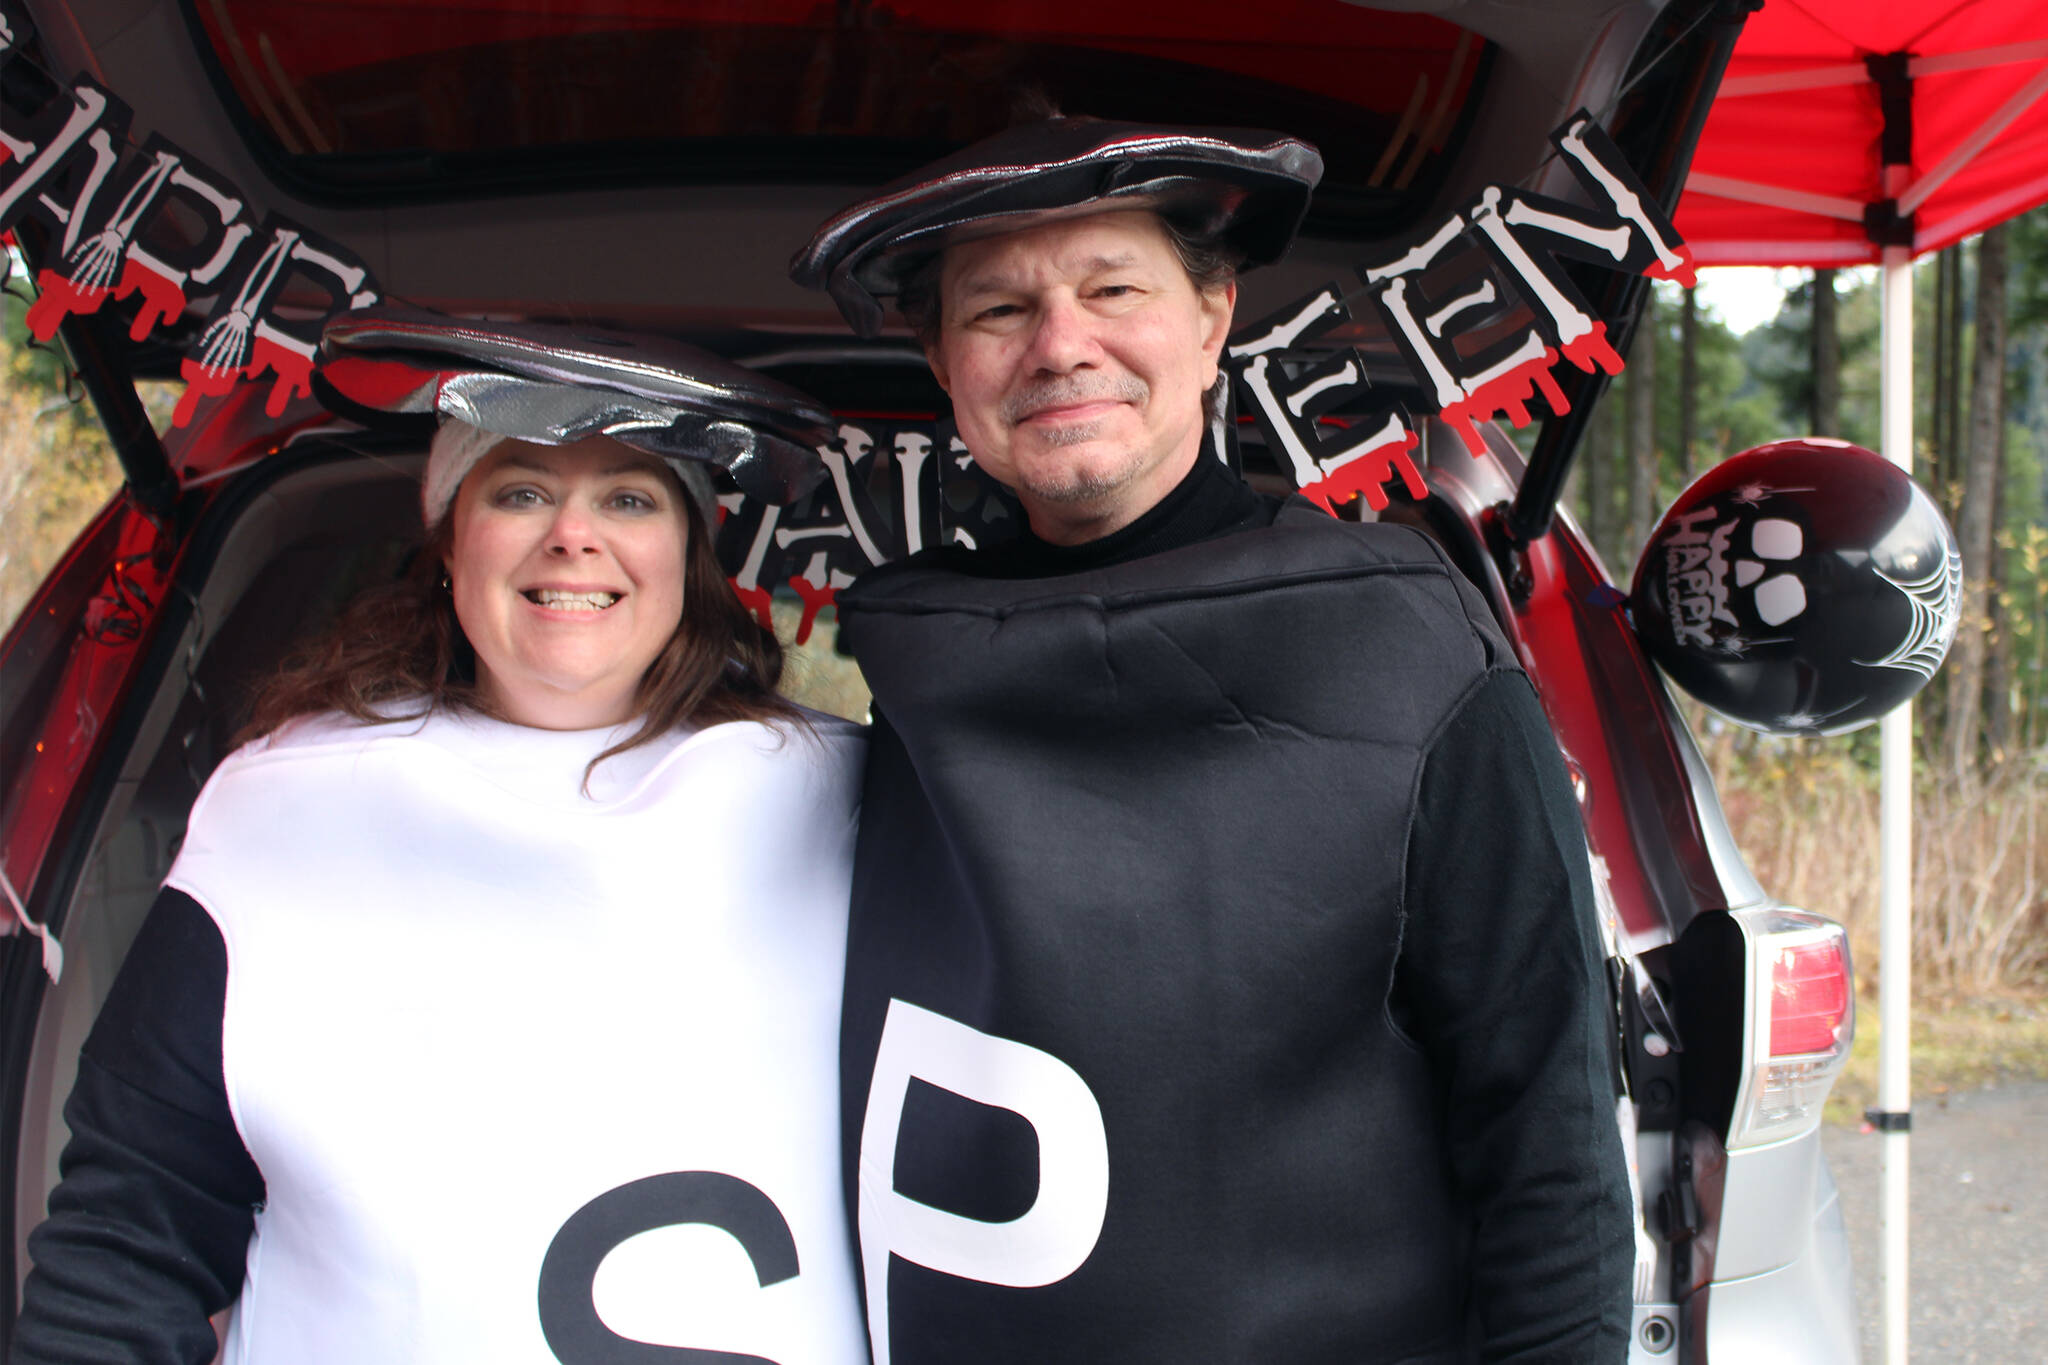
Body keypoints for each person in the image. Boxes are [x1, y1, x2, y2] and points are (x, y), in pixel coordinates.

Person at [789, 116, 1634, 1363]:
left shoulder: (1407, 650)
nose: (1059, 345)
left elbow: (1547, 1141)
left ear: (1212, 317)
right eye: (998, 310)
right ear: (943, 363)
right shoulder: (910, 677)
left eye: (1112, 290)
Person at [11, 321, 871, 1364]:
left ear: (690, 558)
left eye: (630, 498)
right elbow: (130, 1238)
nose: (573, 534)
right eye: (521, 490)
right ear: (451, 544)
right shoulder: (283, 814)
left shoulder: (844, 801)